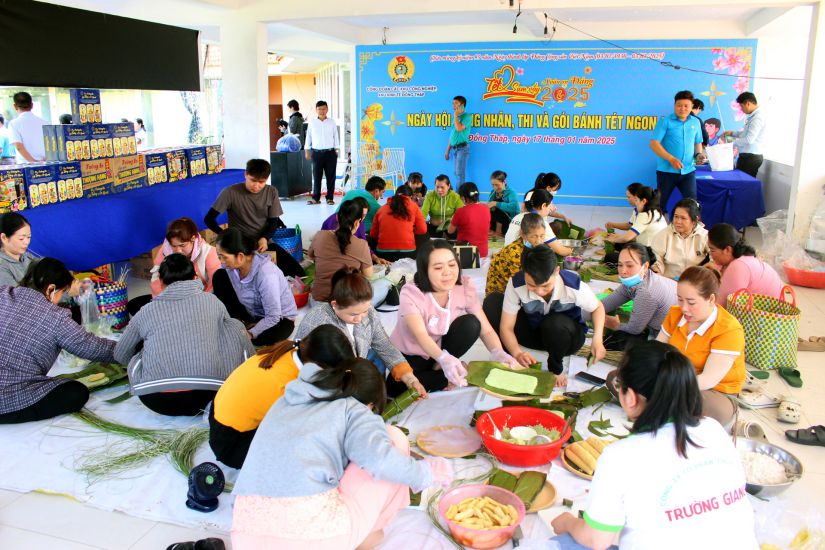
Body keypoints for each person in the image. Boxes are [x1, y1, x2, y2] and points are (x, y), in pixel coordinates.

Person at [550, 341, 757, 550]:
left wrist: (567, 522)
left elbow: (596, 540)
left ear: (630, 397)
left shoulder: (620, 456)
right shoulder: (713, 429)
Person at [231, 356, 452, 550]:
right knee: (393, 437)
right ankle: (366, 535)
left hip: (244, 536)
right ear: (370, 404)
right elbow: (381, 460)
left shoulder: (289, 398)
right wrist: (427, 473)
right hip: (315, 540)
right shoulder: (354, 410)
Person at [114, 254, 254, 416]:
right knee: (233, 326)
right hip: (209, 395)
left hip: (155, 399)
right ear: (195, 277)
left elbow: (121, 354)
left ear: (160, 280)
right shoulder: (212, 301)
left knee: (141, 343)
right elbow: (233, 333)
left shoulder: (146, 311)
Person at [210, 325, 355, 469]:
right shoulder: (288, 387)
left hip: (218, 410)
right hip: (231, 444)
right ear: (318, 367)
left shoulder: (292, 350)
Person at [390, 240, 518, 395]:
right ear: (424, 270)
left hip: (441, 350)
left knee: (471, 324)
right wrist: (444, 359)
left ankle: (445, 370)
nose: (447, 272)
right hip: (411, 355)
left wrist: (498, 352)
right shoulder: (411, 293)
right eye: (438, 267)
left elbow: (487, 330)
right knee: (396, 387)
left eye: (452, 265)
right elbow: (421, 336)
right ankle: (454, 372)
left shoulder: (463, 288)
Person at [0, 258, 115, 424]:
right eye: (62, 292)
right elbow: (91, 347)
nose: (61, 298)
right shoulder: (54, 316)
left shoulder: (4, 293)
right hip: (8, 399)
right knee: (76, 392)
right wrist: (129, 349)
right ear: (50, 289)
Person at [296, 269, 425, 396]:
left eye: (364, 311)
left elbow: (383, 343)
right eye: (353, 314)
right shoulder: (320, 322)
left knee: (378, 356)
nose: (359, 319)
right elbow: (320, 371)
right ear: (335, 304)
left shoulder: (368, 311)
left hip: (351, 364)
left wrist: (410, 378)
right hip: (327, 375)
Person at [484, 245, 606, 375]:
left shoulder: (572, 285)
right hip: (536, 334)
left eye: (545, 286)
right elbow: (506, 327)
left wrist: (597, 339)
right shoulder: (516, 284)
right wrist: (517, 353)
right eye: (531, 285)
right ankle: (510, 361)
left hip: (566, 339)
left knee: (554, 323)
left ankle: (555, 368)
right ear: (523, 272)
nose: (539, 292)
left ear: (557, 271)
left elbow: (597, 307)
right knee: (492, 303)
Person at [657, 266, 745, 429]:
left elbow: (708, 379)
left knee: (697, 404)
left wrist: (667, 385)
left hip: (713, 391)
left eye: (691, 302)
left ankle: (660, 404)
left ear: (711, 299)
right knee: (620, 378)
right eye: (680, 299)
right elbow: (656, 351)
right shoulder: (675, 314)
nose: (684, 308)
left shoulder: (728, 329)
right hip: (675, 378)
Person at [205, 158, 304, 278]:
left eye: (261, 182)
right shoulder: (230, 192)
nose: (256, 186)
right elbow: (209, 219)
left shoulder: (271, 192)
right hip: (240, 244)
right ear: (245, 174)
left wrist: (265, 238)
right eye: (253, 180)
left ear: (266, 179)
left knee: (297, 272)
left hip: (262, 242)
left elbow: (274, 221)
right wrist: (227, 236)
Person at [212, 228, 297, 346]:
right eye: (219, 257)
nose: (221, 262)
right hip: (253, 313)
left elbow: (273, 316)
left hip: (279, 319)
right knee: (219, 276)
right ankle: (241, 323)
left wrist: (251, 333)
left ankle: (249, 327)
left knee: (263, 337)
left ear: (240, 256)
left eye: (224, 257)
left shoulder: (267, 274)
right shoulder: (231, 269)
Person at [602, 244, 678, 351]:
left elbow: (634, 329)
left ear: (645, 266)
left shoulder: (647, 292)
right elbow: (602, 305)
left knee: (613, 341)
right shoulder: (637, 281)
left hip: (668, 338)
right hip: (659, 328)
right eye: (620, 265)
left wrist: (614, 325)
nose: (623, 271)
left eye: (630, 266)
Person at [649, 90, 705, 211]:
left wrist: (699, 154)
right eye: (679, 105)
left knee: (692, 203)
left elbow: (698, 142)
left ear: (691, 107)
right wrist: (671, 159)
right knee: (660, 204)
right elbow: (654, 143)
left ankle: (691, 229)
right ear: (675, 105)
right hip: (666, 171)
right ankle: (657, 228)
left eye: (686, 106)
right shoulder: (665, 121)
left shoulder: (695, 122)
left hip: (688, 171)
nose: (682, 108)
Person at [308, 200, 373, 302]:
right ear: (357, 222)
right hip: (347, 302)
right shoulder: (362, 245)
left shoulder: (320, 235)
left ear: (337, 217)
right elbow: (368, 275)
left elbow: (311, 256)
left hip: (318, 299)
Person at [708, 223, 782, 306]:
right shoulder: (742, 258)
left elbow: (719, 305)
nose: (710, 254)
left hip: (764, 313)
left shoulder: (738, 266)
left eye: (712, 250)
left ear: (728, 249)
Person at [485, 213, 546, 296]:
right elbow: (518, 284)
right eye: (534, 236)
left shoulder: (533, 246)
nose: (539, 241)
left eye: (542, 236)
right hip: (500, 294)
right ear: (523, 234)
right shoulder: (514, 253)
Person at [651, 198, 709, 279]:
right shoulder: (663, 235)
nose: (678, 221)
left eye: (683, 218)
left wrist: (704, 270)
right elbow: (656, 259)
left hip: (695, 282)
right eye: (676, 217)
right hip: (669, 281)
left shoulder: (705, 236)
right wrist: (657, 271)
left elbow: (715, 258)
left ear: (695, 220)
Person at [504, 189, 572, 256]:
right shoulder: (540, 222)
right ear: (543, 206)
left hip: (505, 255)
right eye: (550, 205)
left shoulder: (518, 216)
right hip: (520, 262)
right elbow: (561, 251)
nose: (550, 208)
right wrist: (571, 251)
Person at [369, 185, 427, 262]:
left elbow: (373, 234)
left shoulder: (382, 209)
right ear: (410, 197)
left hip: (383, 253)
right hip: (408, 252)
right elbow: (423, 230)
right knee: (425, 236)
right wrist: (410, 231)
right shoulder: (414, 206)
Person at [606, 185, 668, 250]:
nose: (635, 203)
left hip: (651, 252)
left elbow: (627, 237)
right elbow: (634, 233)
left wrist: (613, 239)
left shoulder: (645, 215)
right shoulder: (655, 211)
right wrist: (618, 237)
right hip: (657, 249)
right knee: (619, 244)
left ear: (644, 201)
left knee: (611, 255)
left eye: (636, 200)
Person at [721, 92, 766, 178]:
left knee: (744, 184)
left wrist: (730, 143)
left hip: (751, 157)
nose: (741, 109)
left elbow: (749, 139)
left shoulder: (757, 118)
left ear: (748, 103)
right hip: (747, 156)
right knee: (740, 182)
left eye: (742, 106)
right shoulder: (753, 117)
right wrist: (732, 133)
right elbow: (745, 134)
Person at [305, 100, 339, 205]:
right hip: (316, 153)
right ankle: (316, 198)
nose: (321, 111)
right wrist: (307, 150)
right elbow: (308, 137)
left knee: (330, 176)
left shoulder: (332, 122)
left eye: (324, 109)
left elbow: (336, 136)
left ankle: (330, 198)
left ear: (327, 109)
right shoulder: (312, 122)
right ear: (316, 110)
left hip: (330, 153)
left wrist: (337, 150)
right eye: (319, 109)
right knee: (317, 176)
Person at [448, 182, 491, 257]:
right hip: (483, 252)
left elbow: (450, 231)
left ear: (463, 197)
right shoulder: (486, 209)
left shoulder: (460, 211)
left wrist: (452, 219)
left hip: (466, 253)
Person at [8, 92, 48, 163]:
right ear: (32, 105)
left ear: (15, 106)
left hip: (26, 165)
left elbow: (19, 146)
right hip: (45, 163)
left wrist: (33, 162)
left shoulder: (13, 124)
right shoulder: (45, 122)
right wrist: (44, 161)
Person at [0, 212, 36, 287]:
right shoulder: (2, 267)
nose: (27, 242)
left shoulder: (27, 257)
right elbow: (18, 297)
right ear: (4, 238)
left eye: (29, 237)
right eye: (21, 238)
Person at [443, 95, 471, 185]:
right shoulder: (454, 119)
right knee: (456, 173)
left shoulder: (467, 117)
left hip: (463, 148)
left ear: (462, 105)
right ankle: (459, 195)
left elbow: (459, 128)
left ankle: (459, 196)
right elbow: (453, 135)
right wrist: (447, 150)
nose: (453, 105)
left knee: (459, 174)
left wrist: (455, 115)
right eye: (453, 103)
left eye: (456, 103)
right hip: (455, 149)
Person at [487, 170, 520, 237]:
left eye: (497, 185)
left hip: (510, 222)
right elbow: (490, 207)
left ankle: (498, 232)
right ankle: (491, 230)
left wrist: (496, 203)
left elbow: (513, 207)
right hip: (497, 221)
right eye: (493, 185)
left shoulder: (511, 193)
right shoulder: (493, 192)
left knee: (498, 210)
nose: (495, 188)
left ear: (504, 182)